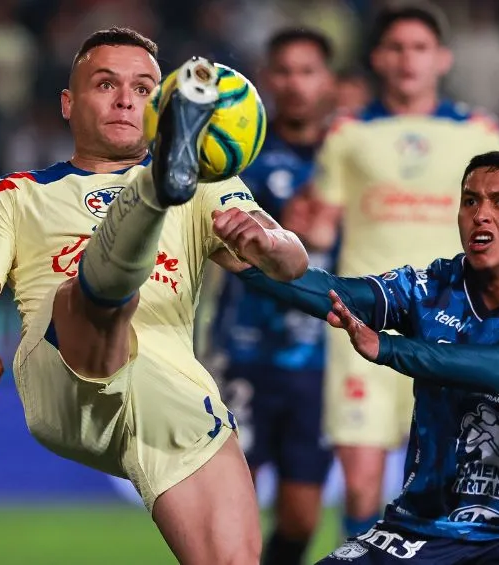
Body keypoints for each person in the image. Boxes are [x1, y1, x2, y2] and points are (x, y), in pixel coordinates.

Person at [0, 27, 308, 565]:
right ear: (69, 104)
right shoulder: (19, 194)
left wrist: (267, 241)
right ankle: (154, 191)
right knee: (100, 298)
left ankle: (154, 190)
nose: (124, 100)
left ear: (159, 105)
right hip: (65, 371)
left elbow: (292, 260)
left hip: (172, 391)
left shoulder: (209, 185)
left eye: (142, 89)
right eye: (105, 84)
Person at [287, 1, 499, 538]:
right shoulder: (347, 133)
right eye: (395, 48)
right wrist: (294, 232)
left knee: (452, 481)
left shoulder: (475, 131)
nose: (407, 60)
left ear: (442, 58)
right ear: (377, 58)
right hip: (368, 319)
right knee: (361, 483)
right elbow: (322, 224)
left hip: (449, 322)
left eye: (419, 48)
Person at [232, 150, 499, 564]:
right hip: (417, 528)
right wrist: (248, 264)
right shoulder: (431, 286)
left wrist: (388, 348)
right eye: (470, 200)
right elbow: (340, 295)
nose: (481, 214)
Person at [210, 28, 336, 565]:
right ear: (266, 80)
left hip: (319, 360)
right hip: (243, 352)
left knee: (301, 519)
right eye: (283, 71)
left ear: (328, 81)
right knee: (227, 509)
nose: (295, 83)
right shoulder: (241, 155)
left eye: (307, 71)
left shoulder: (347, 158)